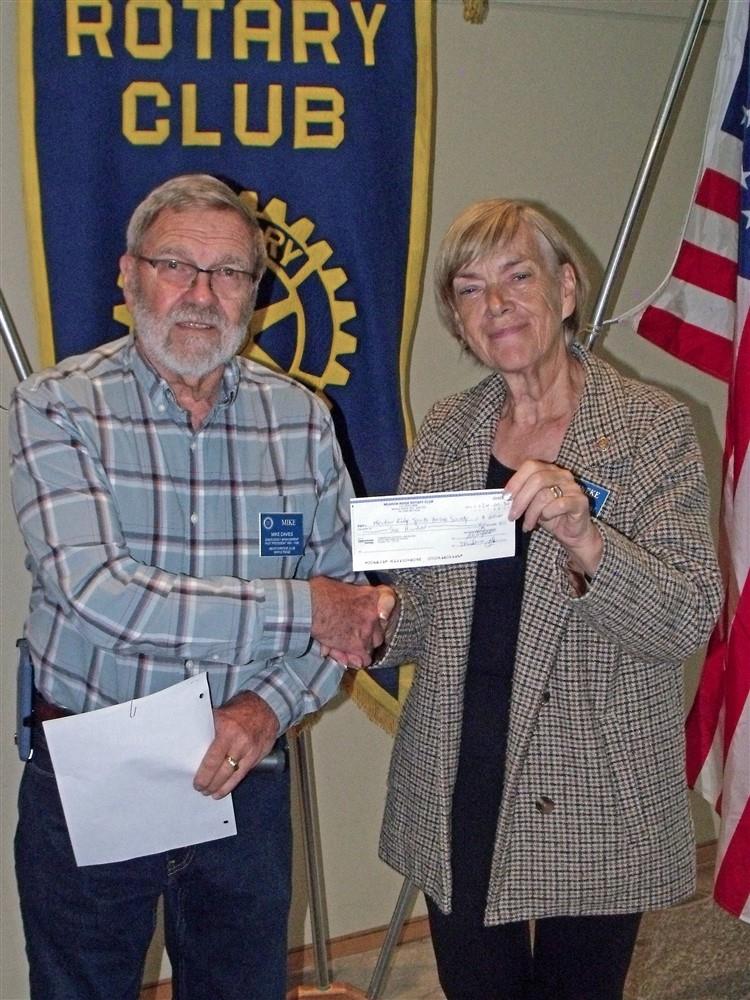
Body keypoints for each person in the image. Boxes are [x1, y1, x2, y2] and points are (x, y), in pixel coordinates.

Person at [10, 173, 394, 1000]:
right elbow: (102, 595)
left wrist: (265, 709)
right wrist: (304, 607)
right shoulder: (56, 406)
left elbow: (348, 605)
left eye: (228, 273)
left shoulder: (301, 418)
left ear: (255, 292)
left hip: (246, 768)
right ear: (129, 275)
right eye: (176, 265)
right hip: (95, 764)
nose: (200, 294)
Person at [376, 199, 722, 1000]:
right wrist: (374, 620)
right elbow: (418, 608)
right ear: (458, 320)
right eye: (470, 289)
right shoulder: (446, 433)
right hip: (461, 774)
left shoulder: (651, 429)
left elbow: (684, 617)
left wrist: (586, 537)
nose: (495, 304)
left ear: (566, 289)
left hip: (595, 783)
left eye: (517, 277)